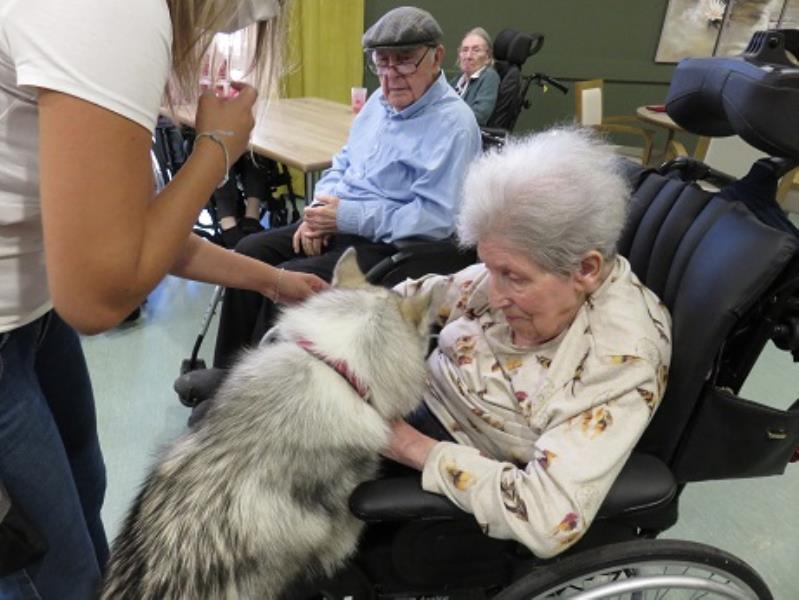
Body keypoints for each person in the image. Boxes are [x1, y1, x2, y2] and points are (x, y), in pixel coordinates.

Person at [0, 1, 326, 597]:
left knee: (84, 495)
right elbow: (97, 300)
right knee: (51, 574)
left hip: (32, 316)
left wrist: (274, 282)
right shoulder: (111, 13)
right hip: (14, 324)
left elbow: (146, 236)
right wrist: (216, 150)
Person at [385, 126, 672, 558]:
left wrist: (404, 443)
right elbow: (415, 300)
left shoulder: (617, 358)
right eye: (489, 267)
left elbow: (545, 516)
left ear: (586, 270)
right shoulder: (521, 263)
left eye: (512, 277)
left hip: (444, 470)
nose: (494, 294)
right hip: (408, 399)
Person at [212, 6, 482, 369]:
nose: (390, 76)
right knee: (247, 255)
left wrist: (344, 217)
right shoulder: (377, 104)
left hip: (392, 248)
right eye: (381, 62)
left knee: (289, 283)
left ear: (436, 57)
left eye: (404, 61)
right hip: (339, 223)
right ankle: (226, 374)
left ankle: (262, 392)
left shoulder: (454, 125)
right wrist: (316, 214)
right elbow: (342, 164)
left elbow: (435, 219)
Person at [450, 27, 500, 126]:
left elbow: (479, 116)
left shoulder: (489, 77)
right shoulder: (458, 80)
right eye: (465, 50)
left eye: (476, 50)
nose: (468, 56)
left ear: (488, 57)